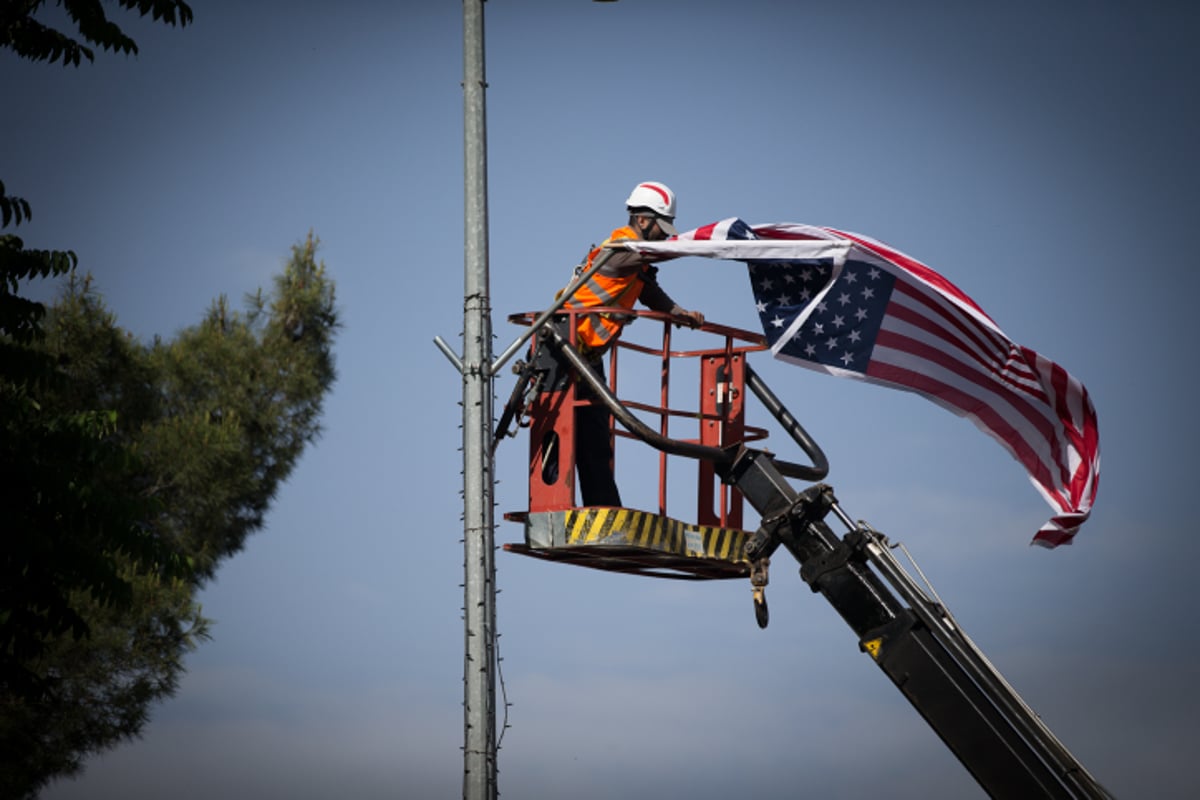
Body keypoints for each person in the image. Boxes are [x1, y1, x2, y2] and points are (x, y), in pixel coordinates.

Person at [546, 181, 705, 507]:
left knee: (596, 436)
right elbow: (645, 260)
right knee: (557, 434)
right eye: (662, 228)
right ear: (643, 221)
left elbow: (649, 292)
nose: (665, 236)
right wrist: (703, 245)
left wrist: (680, 314)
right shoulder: (620, 249)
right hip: (560, 347)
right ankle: (553, 503)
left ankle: (603, 509)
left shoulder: (637, 260)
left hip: (584, 353)